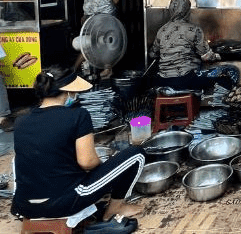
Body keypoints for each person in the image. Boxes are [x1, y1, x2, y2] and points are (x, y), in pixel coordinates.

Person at [12, 65, 145, 225]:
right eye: (74, 92)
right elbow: (87, 162)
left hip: (24, 206)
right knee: (136, 154)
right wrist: (105, 169)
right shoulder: (78, 115)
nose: (75, 96)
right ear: (67, 91)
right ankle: (116, 206)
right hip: (63, 203)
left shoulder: (21, 121)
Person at [150, 0, 241, 92]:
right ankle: (220, 103)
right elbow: (206, 57)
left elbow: (153, 54)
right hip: (186, 80)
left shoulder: (161, 30)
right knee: (232, 70)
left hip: (163, 81)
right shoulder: (194, 29)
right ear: (187, 11)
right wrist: (219, 56)